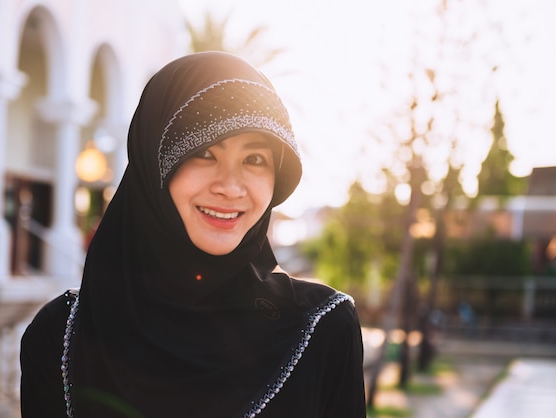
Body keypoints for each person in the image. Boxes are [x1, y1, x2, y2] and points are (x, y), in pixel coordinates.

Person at [20, 51, 366, 418]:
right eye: (204, 153)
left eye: (255, 159)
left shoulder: (322, 330)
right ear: (156, 165)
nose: (231, 187)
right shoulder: (60, 337)